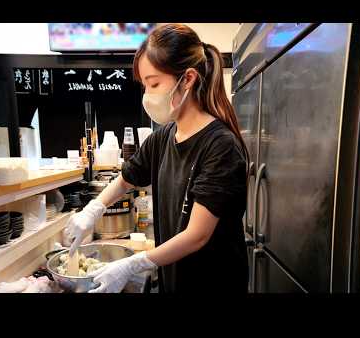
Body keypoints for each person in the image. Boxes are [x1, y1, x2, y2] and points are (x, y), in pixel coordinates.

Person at [65, 23, 250, 293]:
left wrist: (134, 263)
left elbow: (197, 235)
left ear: (187, 79)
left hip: (214, 283)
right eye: (145, 86)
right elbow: (127, 180)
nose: (148, 96)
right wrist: (95, 209)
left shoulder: (220, 146)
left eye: (154, 84)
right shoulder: (162, 138)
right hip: (175, 281)